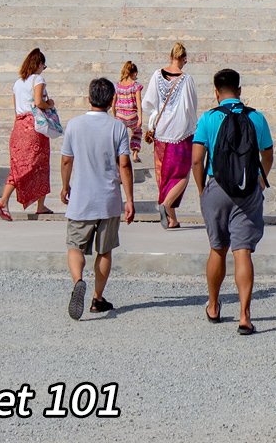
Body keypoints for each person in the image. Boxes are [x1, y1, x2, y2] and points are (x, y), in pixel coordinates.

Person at [192, 67, 274, 335]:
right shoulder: (256, 118)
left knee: (217, 248)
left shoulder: (208, 118)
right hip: (248, 189)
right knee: (243, 251)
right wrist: (262, 179)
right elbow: (268, 153)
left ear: (216, 92)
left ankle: (214, 306)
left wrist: (201, 188)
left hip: (217, 186)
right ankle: (244, 315)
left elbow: (196, 159)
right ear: (239, 91)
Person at [61, 75, 135, 320]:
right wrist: (129, 199)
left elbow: (66, 159)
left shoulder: (74, 125)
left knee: (75, 246)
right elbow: (124, 165)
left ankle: (78, 281)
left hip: (81, 197)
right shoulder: (118, 127)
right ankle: (97, 298)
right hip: (108, 199)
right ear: (112, 100)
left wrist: (64, 186)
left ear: (89, 98)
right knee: (104, 252)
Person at [0, 47, 55, 220]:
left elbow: (16, 109)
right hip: (34, 127)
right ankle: (40, 205)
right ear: (39, 64)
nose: (44, 69)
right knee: (41, 164)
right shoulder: (38, 79)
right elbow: (38, 103)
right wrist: (49, 103)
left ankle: (4, 200)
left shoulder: (17, 83)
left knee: (18, 166)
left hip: (19, 126)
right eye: (44, 65)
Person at [144, 41, 199, 229]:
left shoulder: (156, 75)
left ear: (170, 56)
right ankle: (166, 205)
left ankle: (172, 219)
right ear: (183, 58)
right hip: (181, 133)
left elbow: (148, 103)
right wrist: (194, 126)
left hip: (161, 134)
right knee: (182, 174)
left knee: (165, 175)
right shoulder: (187, 79)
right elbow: (191, 107)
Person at [111, 61, 144, 163]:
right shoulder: (135, 86)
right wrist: (140, 118)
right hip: (132, 115)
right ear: (133, 73)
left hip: (120, 115)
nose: (136, 75)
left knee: (120, 135)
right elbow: (139, 102)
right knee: (137, 132)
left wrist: (115, 115)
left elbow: (113, 103)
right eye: (136, 73)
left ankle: (119, 155)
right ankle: (134, 153)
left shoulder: (117, 85)